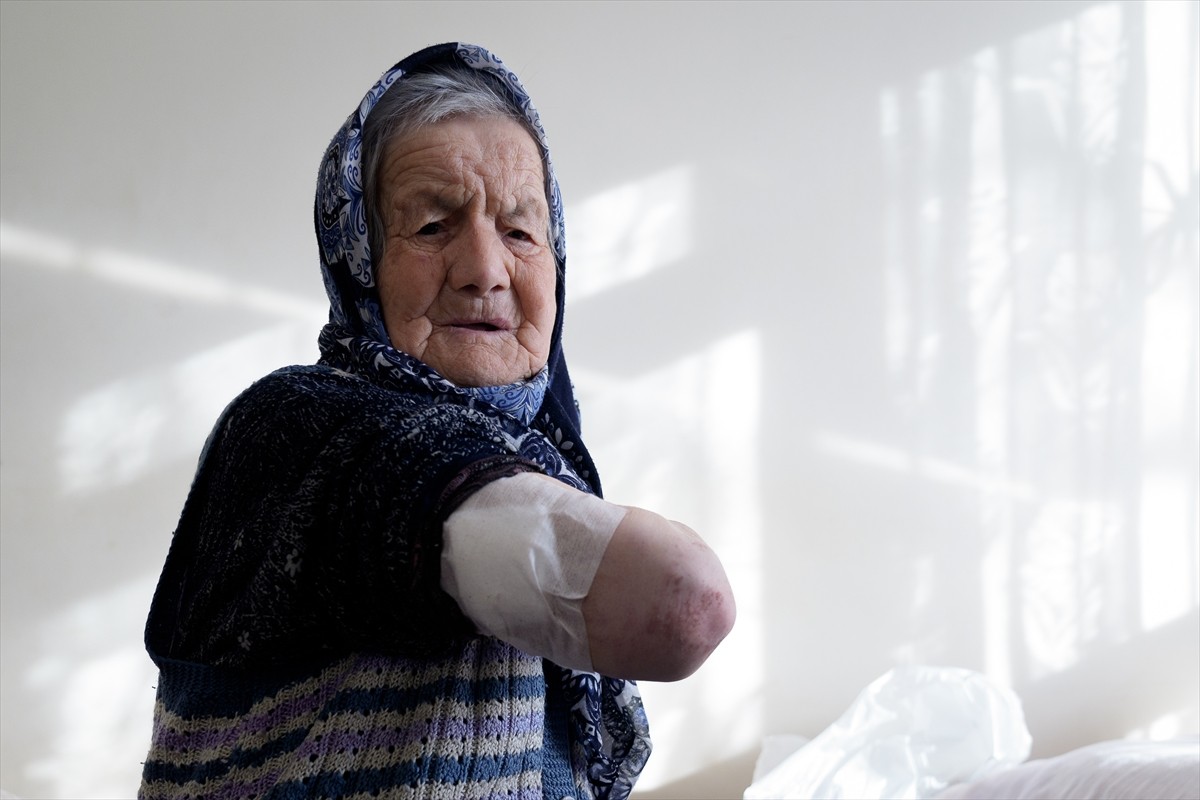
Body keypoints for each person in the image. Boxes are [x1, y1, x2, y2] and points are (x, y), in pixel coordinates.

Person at [139, 42, 734, 800]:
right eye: (431, 227)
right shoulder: (300, 430)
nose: (486, 268)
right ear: (358, 258)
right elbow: (683, 602)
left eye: (521, 231)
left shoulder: (539, 450)